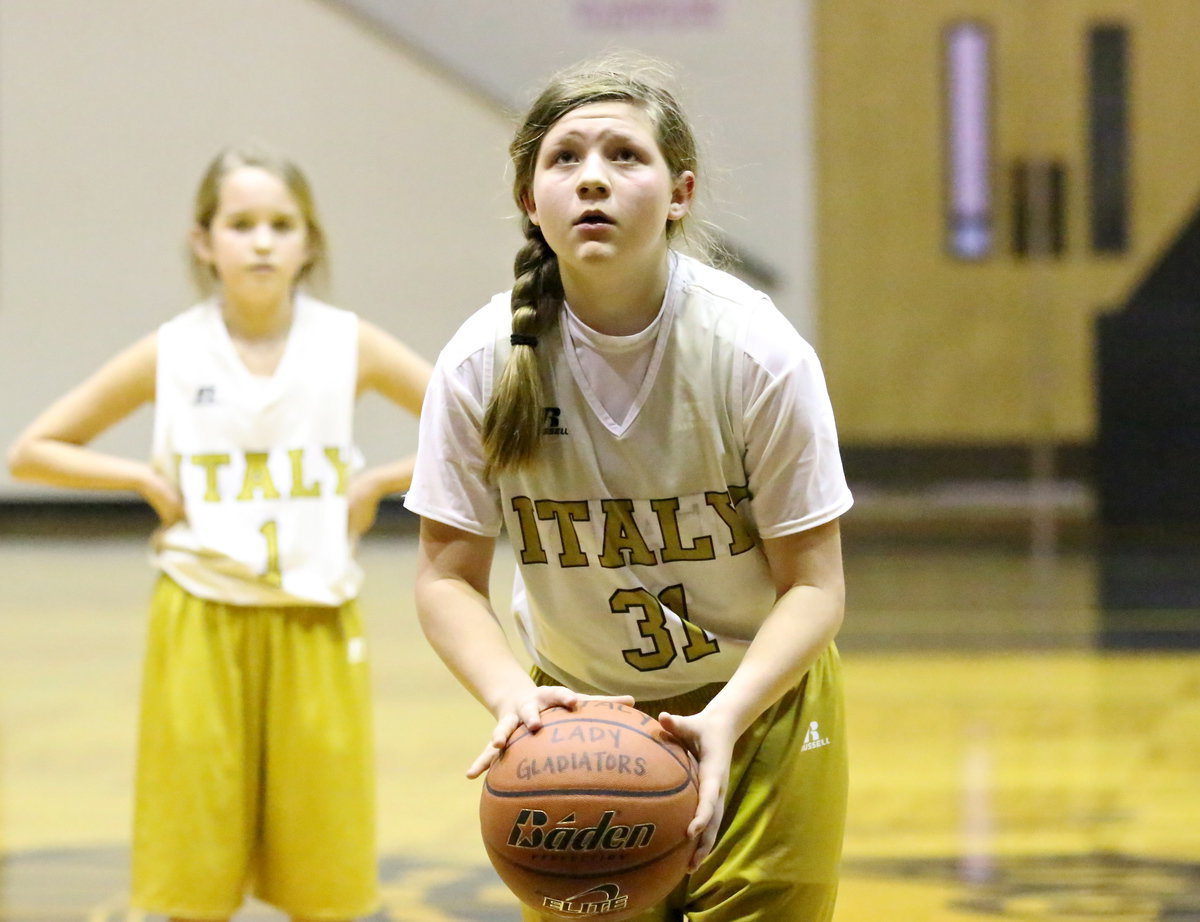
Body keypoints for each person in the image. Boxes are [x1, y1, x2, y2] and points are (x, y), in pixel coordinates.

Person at [404, 56, 853, 922]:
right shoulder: (480, 363)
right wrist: (511, 698)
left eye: (625, 156)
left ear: (680, 192)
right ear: (532, 201)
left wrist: (723, 721)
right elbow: (444, 576)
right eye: (565, 159)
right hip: (574, 718)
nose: (594, 179)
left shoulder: (754, 353)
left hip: (758, 706)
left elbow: (816, 586)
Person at [7, 146, 431, 922]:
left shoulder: (350, 343)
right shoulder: (171, 351)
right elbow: (32, 450)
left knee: (326, 869)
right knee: (189, 857)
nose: (262, 241)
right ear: (205, 242)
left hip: (316, 614)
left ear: (311, 242)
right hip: (201, 611)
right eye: (241, 224)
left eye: (281, 224)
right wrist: (136, 478)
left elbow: (477, 430)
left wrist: (378, 480)